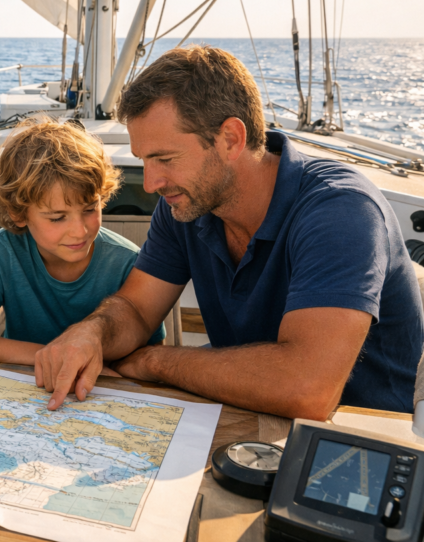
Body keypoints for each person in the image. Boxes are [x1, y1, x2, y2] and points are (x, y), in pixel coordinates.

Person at [34, 45, 424, 419]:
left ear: (231, 139)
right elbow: (136, 309)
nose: (150, 183)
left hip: (360, 446)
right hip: (247, 417)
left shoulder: (340, 210)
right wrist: (92, 332)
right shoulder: (185, 206)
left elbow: (307, 389)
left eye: (164, 159)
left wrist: (155, 361)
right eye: (144, 161)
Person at [0, 119, 165, 364]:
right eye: (58, 218)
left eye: (90, 209)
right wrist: (47, 358)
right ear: (19, 214)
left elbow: (151, 353)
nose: (79, 231)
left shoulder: (128, 262)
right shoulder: (5, 250)